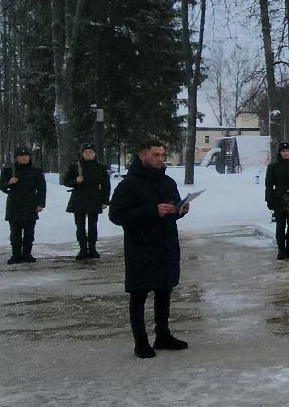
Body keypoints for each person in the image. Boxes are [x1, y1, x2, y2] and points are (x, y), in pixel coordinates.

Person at [108, 139, 192, 359]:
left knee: (165, 289)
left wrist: (180, 209)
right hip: (141, 245)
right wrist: (152, 211)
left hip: (166, 243)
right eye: (156, 155)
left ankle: (162, 335)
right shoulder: (129, 184)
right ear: (142, 155)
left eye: (163, 155)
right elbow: (116, 215)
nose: (160, 159)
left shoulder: (167, 181)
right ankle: (141, 342)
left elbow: (173, 205)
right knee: (139, 294)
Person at [0, 147, 48, 264]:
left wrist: (40, 204)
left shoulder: (36, 171)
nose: (24, 158)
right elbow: (1, 186)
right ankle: (16, 255)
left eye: (26, 156)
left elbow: (42, 189)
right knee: (15, 233)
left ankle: (27, 254)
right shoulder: (9, 171)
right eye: (21, 156)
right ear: (16, 158)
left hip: (30, 204)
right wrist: (9, 182)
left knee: (29, 232)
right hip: (14, 204)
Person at [60, 143, 110, 261]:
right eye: (86, 152)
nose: (88, 154)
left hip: (94, 198)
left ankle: (92, 249)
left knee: (93, 225)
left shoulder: (100, 167)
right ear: (82, 153)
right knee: (80, 226)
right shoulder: (75, 166)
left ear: (94, 154)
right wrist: (75, 181)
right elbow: (65, 181)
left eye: (90, 152)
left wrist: (105, 200)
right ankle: (83, 248)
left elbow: (105, 185)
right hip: (79, 198)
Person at [263, 141, 289, 261]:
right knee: (280, 226)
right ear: (280, 152)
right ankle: (281, 250)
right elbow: (268, 185)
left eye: (288, 151)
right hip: (279, 199)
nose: (286, 153)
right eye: (283, 151)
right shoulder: (273, 166)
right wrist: (269, 199)